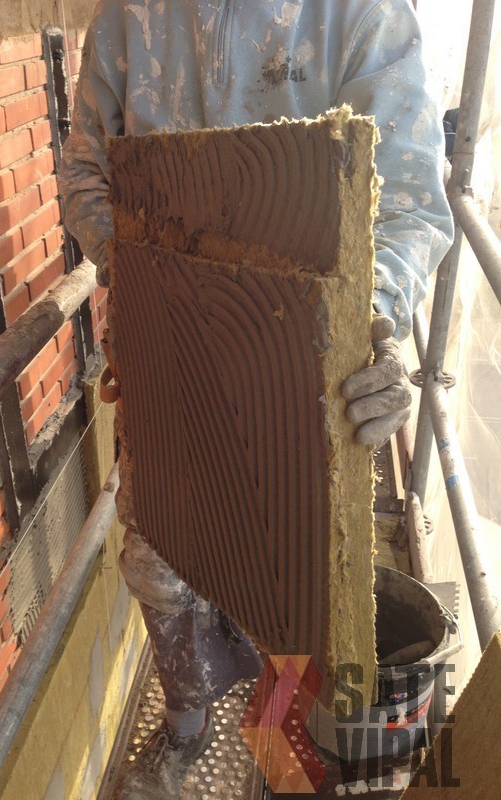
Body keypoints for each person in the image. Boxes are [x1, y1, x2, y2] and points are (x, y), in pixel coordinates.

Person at [59, 2, 453, 797]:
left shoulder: (359, 13)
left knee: (296, 590)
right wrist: (161, 289)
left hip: (298, 384)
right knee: (159, 562)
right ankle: (187, 726)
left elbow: (410, 201)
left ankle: (279, 759)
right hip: (171, 366)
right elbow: (85, 175)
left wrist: (367, 313)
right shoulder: (128, 17)